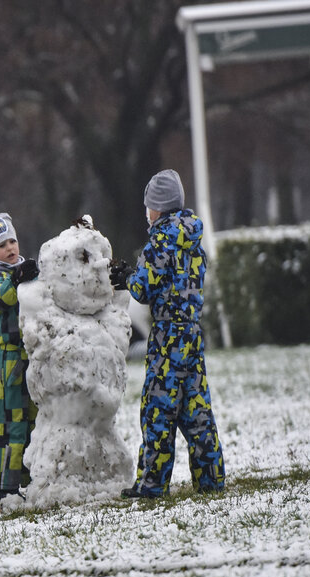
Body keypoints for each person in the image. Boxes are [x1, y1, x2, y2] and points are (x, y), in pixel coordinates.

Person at [110, 169, 226, 498]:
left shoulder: (159, 241)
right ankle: (211, 479)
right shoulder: (192, 239)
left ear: (157, 207)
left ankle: (151, 484)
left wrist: (127, 277)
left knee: (157, 409)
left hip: (166, 338)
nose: (147, 214)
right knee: (197, 410)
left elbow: (144, 289)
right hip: (191, 334)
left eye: (148, 207)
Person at [0, 213, 40, 503]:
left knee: (31, 420)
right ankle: (5, 487)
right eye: (2, 244)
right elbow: (3, 296)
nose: (10, 248)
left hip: (32, 356)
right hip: (9, 360)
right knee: (10, 423)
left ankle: (26, 479)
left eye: (12, 240)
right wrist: (17, 278)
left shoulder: (26, 268)